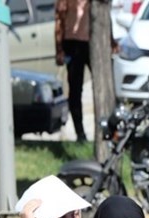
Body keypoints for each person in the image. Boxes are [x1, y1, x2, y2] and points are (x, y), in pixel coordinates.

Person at [55, 0, 90, 142]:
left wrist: (111, 40)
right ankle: (80, 132)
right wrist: (59, 49)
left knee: (103, 86)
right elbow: (59, 19)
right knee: (75, 88)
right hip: (73, 41)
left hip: (91, 42)